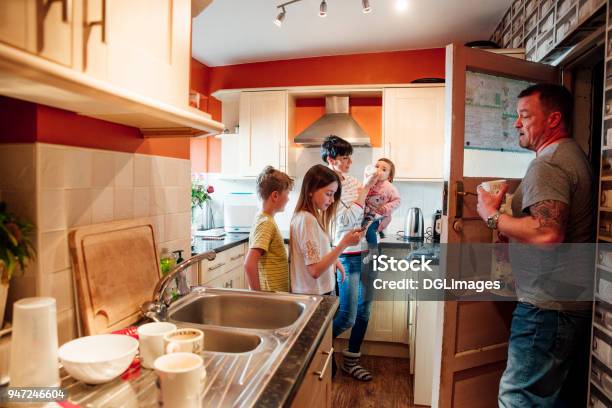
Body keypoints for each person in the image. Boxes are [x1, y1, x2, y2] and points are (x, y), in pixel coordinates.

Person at [476, 83, 595, 407]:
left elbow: (547, 235)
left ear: (554, 119)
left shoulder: (549, 164)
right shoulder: (571, 156)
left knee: (517, 398)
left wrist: (490, 215)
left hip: (547, 307)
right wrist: (510, 227)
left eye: (525, 116)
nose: (517, 124)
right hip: (561, 304)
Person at [321, 135, 378, 381]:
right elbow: (344, 220)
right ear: (331, 160)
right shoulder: (328, 186)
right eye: (344, 158)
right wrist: (364, 191)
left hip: (367, 251)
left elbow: (364, 210)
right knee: (347, 315)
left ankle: (351, 360)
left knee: (364, 311)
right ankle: (316, 348)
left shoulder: (354, 182)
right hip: (347, 256)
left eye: (349, 157)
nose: (349, 162)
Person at [289, 164, 363, 296]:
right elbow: (314, 271)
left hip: (316, 292)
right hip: (313, 294)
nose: (332, 200)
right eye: (328, 194)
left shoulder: (309, 216)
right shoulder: (307, 220)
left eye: (333, 195)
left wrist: (334, 259)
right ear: (311, 190)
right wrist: (343, 244)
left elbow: (315, 254)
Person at [244, 166, 294, 292]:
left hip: (274, 296)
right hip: (271, 297)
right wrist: (259, 297)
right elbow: (249, 264)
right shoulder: (266, 223)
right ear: (275, 196)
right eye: (287, 193)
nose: (288, 198)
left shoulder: (264, 219)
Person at [362, 158, 401, 264]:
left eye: (383, 169)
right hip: (367, 214)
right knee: (365, 230)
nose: (378, 170)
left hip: (378, 215)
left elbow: (397, 201)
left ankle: (373, 252)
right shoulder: (370, 181)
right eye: (377, 166)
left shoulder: (389, 187)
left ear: (389, 177)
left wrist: (385, 208)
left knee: (370, 229)